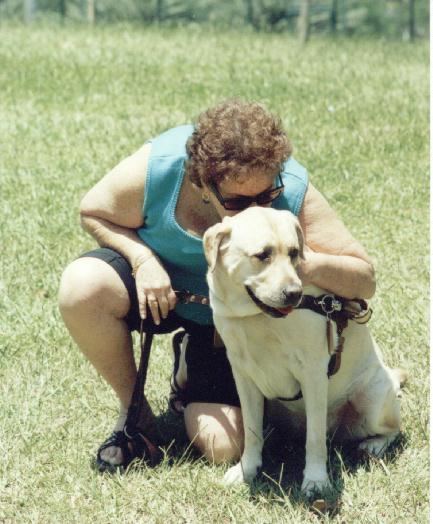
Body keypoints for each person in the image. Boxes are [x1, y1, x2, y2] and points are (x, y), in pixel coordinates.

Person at [58, 100, 375, 471]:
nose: (257, 209)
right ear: (202, 183)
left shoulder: (290, 187)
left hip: (225, 326)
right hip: (156, 291)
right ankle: (135, 411)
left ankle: (189, 366)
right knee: (83, 287)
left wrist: (300, 263)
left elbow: (364, 278)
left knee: (223, 447)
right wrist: (143, 260)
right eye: (238, 201)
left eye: (266, 196)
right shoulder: (160, 168)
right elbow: (92, 211)